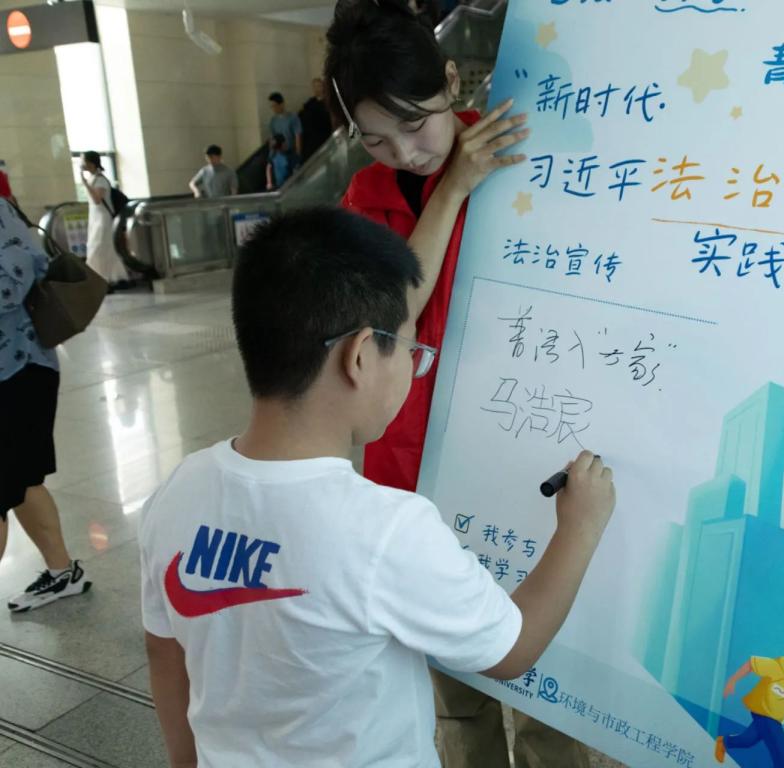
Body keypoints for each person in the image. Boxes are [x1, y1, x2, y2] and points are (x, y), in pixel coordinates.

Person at [139, 207, 616, 767]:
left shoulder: (178, 490)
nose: (414, 367)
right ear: (361, 355)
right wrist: (581, 527)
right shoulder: (386, 530)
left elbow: (164, 651)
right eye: (411, 350)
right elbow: (512, 650)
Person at [325, 2, 592, 765]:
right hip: (412, 470)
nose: (404, 152)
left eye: (415, 124)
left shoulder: (522, 151)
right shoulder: (364, 200)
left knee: (540, 684)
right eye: (376, 138)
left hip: (521, 447)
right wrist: (451, 189)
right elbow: (390, 321)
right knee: (455, 686)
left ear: (450, 80)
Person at [0, 198, 91, 611]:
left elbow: (17, 274)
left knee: (11, 480)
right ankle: (62, 572)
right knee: (22, 480)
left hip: (19, 368)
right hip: (13, 371)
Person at [79, 151, 131, 291]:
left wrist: (85, 184)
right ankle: (117, 278)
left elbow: (97, 199)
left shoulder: (100, 180)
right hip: (95, 218)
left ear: (91, 163)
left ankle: (101, 281)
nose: (81, 164)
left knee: (98, 249)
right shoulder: (93, 179)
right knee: (106, 249)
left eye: (83, 161)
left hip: (103, 220)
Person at [299, 78, 334, 163]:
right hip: (311, 140)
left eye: (318, 86)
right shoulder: (309, 103)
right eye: (314, 86)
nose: (316, 89)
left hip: (324, 137)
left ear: (323, 87)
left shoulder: (328, 102)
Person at [267, 91, 303, 158]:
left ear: (281, 104)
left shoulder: (293, 118)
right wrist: (271, 157)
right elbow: (272, 140)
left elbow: (298, 138)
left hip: (291, 153)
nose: (273, 108)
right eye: (271, 106)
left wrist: (298, 155)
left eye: (275, 105)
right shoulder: (273, 121)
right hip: (279, 155)